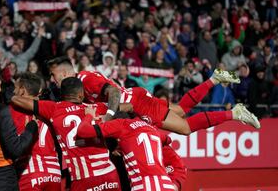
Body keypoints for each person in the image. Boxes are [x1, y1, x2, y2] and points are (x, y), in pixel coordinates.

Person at [47, 57, 260, 137]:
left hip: (138, 104)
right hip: (137, 98)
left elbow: (114, 92)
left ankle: (234, 112)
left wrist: (109, 115)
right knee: (180, 110)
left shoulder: (84, 79)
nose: (52, 79)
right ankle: (214, 79)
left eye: (53, 74)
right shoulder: (80, 81)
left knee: (185, 128)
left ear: (65, 73)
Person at [11, 77, 122, 191]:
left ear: (62, 94)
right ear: (81, 94)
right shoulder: (96, 108)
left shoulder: (54, 108)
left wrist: (16, 96)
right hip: (110, 175)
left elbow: (18, 101)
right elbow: (125, 104)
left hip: (84, 178)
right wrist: (109, 116)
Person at [76, 108, 186, 191]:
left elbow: (83, 131)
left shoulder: (121, 125)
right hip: (167, 187)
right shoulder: (150, 129)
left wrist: (89, 115)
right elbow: (167, 139)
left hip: (144, 187)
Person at [10, 73, 61, 191]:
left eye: (15, 88)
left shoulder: (10, 111)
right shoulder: (52, 107)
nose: (13, 91)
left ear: (22, 90)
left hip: (29, 172)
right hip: (54, 172)